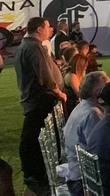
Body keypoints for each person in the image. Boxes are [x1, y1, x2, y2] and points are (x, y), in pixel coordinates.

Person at [16, 17, 66, 196]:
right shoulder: (33, 47)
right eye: (47, 27)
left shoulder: (29, 45)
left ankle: (34, 173)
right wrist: (59, 92)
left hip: (36, 100)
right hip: (40, 101)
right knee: (34, 139)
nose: (49, 29)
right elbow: (44, 77)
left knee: (32, 138)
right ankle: (35, 175)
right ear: (38, 29)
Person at [63, 72, 110, 196]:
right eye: (108, 88)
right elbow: (102, 152)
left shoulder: (82, 107)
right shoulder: (93, 114)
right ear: (98, 93)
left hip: (77, 176)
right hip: (85, 184)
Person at [62, 54, 89, 118]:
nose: (85, 68)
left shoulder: (71, 74)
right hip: (72, 108)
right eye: (85, 66)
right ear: (80, 66)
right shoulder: (72, 76)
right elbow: (80, 94)